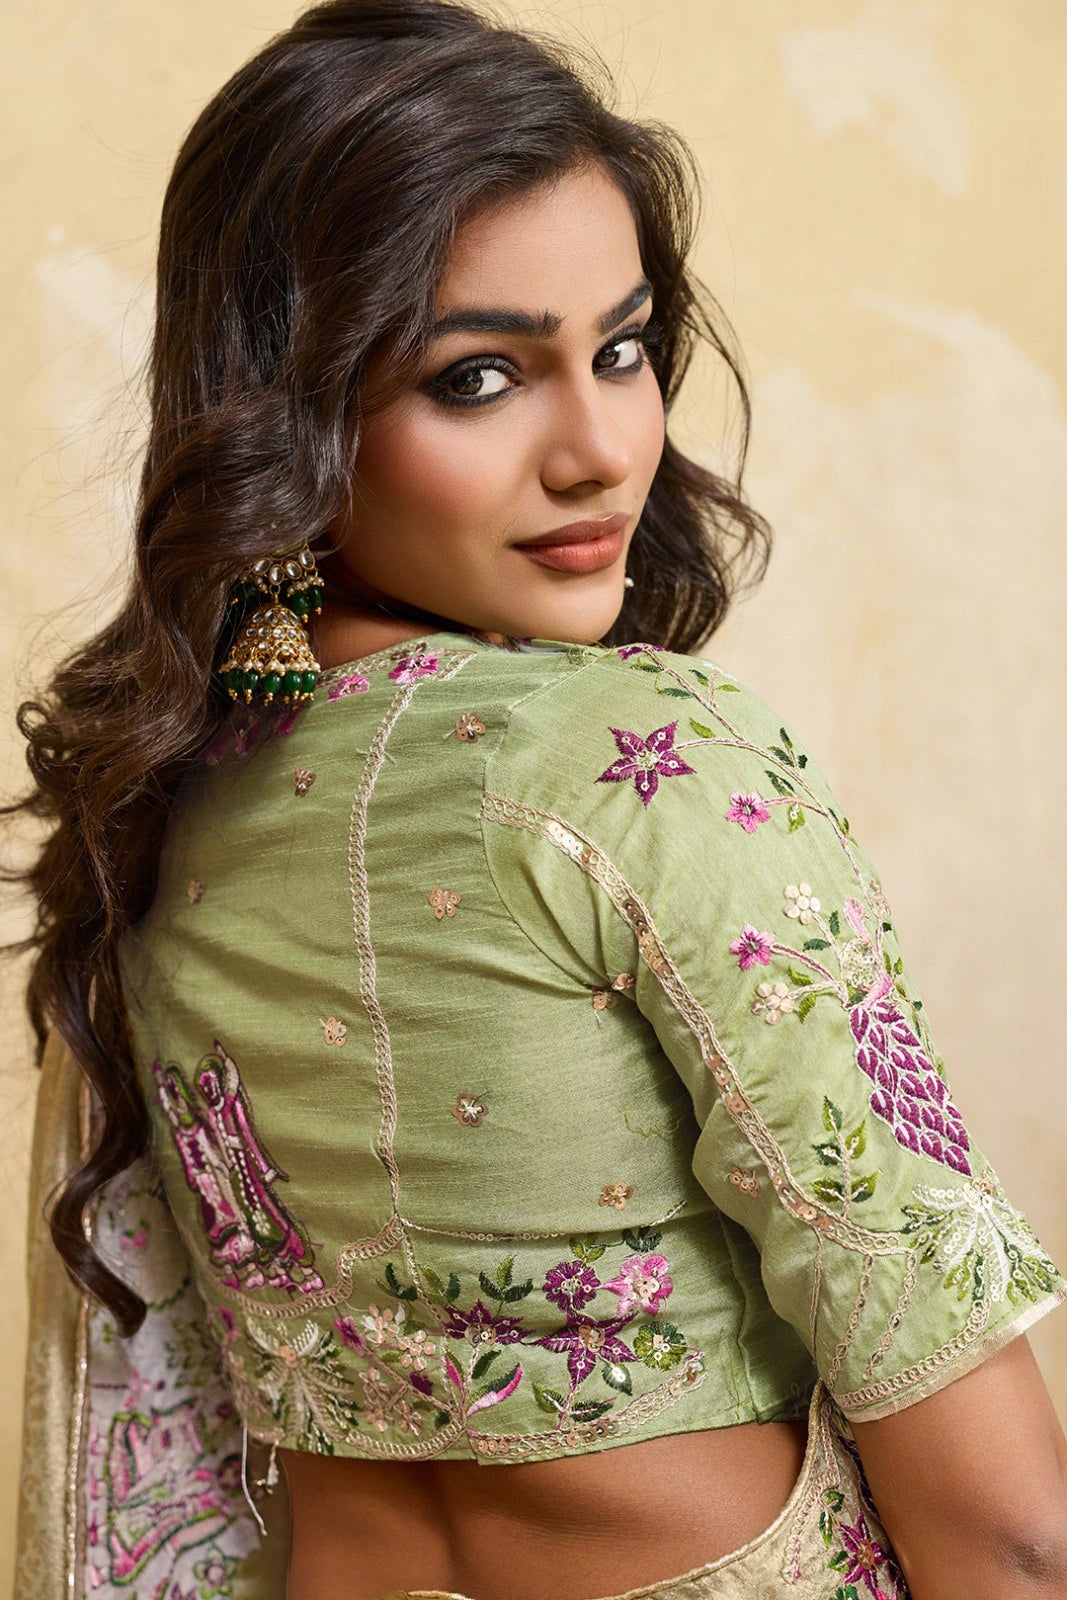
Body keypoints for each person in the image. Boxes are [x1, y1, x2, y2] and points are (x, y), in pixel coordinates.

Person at [9, 2, 1067, 1597]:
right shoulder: (644, 762)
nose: (601, 451)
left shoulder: (161, 806)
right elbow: (1015, 1530)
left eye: (622, 351)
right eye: (481, 375)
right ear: (289, 406)